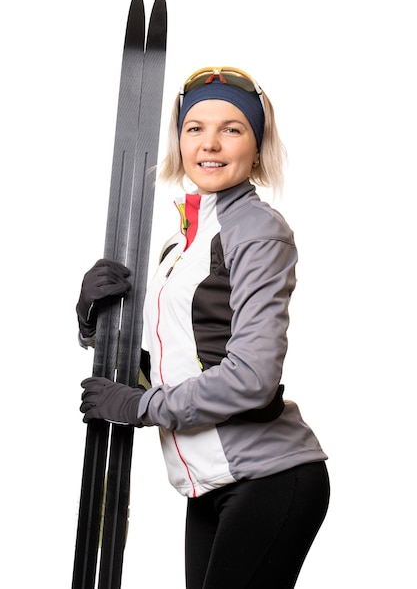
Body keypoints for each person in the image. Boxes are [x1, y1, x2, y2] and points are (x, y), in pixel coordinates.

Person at [77, 67, 330, 589]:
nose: (210, 144)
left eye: (232, 129)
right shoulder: (181, 243)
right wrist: (95, 325)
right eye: (195, 128)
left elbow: (251, 377)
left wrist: (139, 408)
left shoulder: (257, 232)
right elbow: (167, 370)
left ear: (257, 146)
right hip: (209, 487)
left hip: (269, 478)